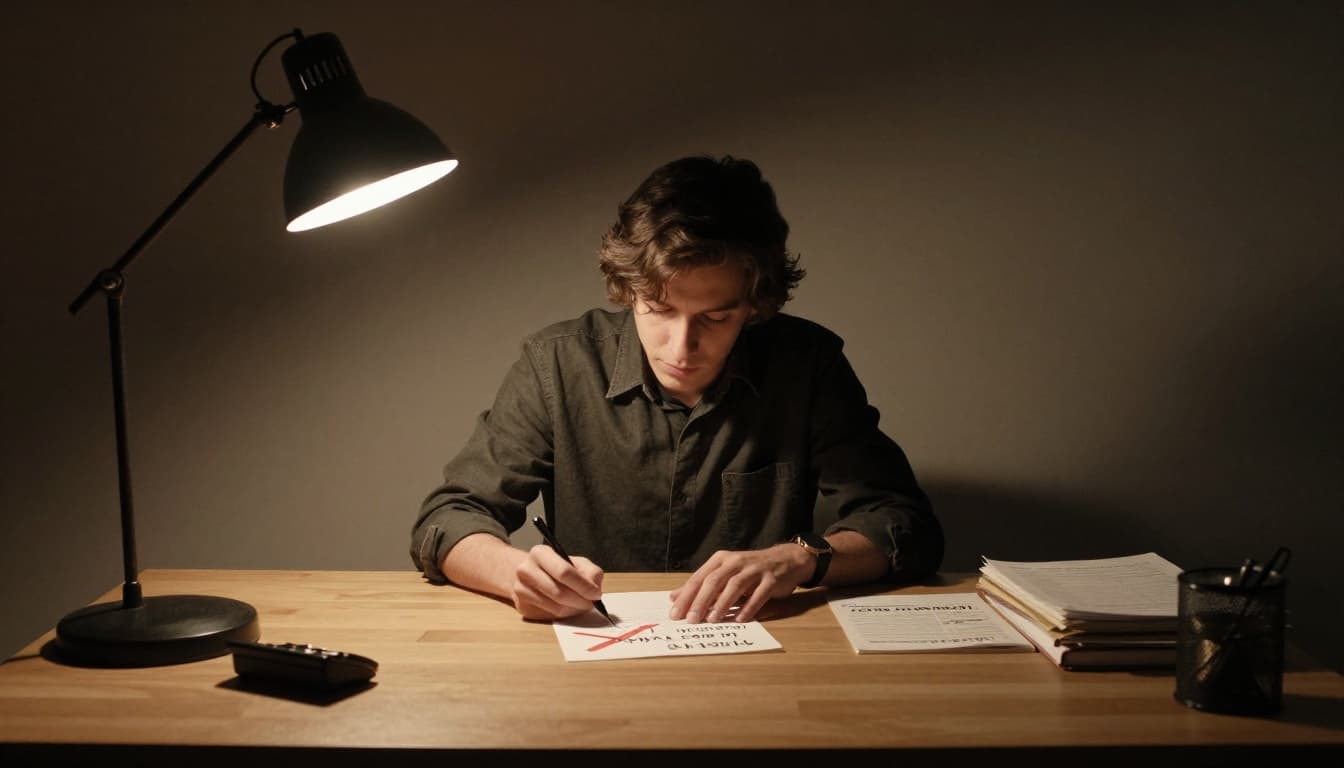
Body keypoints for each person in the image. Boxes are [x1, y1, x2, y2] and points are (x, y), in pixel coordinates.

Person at [410, 154, 943, 624]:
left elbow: (905, 525)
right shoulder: (558, 364)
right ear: (629, 291)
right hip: (595, 653)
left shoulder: (808, 366)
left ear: (755, 306)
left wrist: (800, 557)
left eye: (715, 317)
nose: (682, 347)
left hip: (763, 656)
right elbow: (447, 519)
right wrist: (516, 574)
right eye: (660, 310)